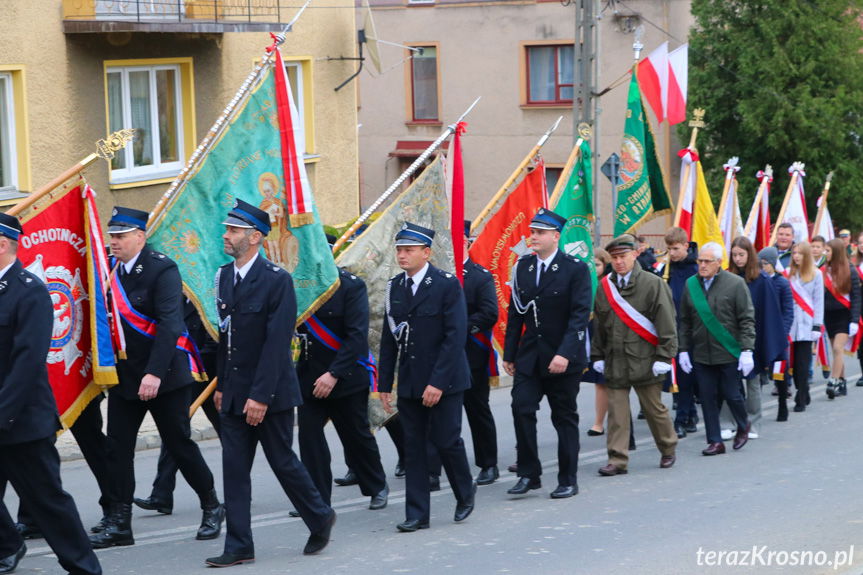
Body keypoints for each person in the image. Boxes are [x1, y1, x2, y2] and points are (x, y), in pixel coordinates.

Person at [206, 200, 336, 567]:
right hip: (233, 392)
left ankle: (320, 515)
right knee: (233, 469)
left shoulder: (277, 281)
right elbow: (226, 338)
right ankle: (239, 545)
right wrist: (221, 386)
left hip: (270, 394)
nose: (226, 236)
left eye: (233, 231)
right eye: (227, 230)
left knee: (282, 461)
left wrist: (260, 395)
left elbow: (277, 344)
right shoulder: (223, 277)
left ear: (256, 237)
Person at [91, 207, 224, 549]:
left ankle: (211, 505)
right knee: (118, 450)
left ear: (140, 236)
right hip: (125, 377)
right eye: (112, 236)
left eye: (121, 236)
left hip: (163, 376)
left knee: (179, 445)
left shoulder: (162, 268)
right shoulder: (108, 269)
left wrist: (153, 374)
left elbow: (170, 325)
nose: (114, 242)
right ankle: (120, 522)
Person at [0, 212, 102, 575]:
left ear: (2, 244)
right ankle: (9, 545)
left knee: (48, 502)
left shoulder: (30, 290)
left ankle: (85, 568)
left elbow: (26, 364)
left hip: (22, 420)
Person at [378, 222, 476, 532]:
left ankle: (464, 493)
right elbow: (388, 337)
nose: (402, 255)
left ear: (426, 252)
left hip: (444, 380)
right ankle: (417, 513)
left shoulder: (447, 284)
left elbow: (454, 336)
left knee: (447, 441)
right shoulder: (395, 286)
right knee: (414, 447)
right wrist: (383, 383)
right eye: (399, 250)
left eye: (408, 250)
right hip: (410, 380)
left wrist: (437, 383)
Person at [503, 208, 591, 498]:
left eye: (540, 232)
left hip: (563, 357)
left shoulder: (575, 268)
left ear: (556, 236)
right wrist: (510, 353)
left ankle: (568, 478)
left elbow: (580, 316)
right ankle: (530, 473)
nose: (533, 237)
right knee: (521, 407)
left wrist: (565, 353)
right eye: (532, 232)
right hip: (530, 355)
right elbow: (516, 312)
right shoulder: (524, 267)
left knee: (564, 417)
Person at [295, 264, 389, 511]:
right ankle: (316, 500)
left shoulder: (350, 285)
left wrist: (334, 374)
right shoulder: (298, 284)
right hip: (308, 377)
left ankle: (376, 486)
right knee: (309, 439)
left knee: (355, 436)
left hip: (345, 376)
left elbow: (356, 336)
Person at [591, 235, 678, 476]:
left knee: (654, 410)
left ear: (635, 255)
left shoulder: (653, 284)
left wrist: (664, 357)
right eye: (615, 258)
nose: (618, 262)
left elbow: (667, 324)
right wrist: (597, 355)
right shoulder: (605, 286)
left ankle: (668, 448)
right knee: (617, 413)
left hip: (646, 360)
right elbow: (599, 324)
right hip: (616, 359)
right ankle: (617, 459)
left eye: (623, 257)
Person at [429, 221, 500, 487]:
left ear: (468, 243)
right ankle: (433, 470)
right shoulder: (438, 276)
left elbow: (489, 312)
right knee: (437, 412)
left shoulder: (480, 276)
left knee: (477, 409)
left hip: (472, 354)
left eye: (457, 240)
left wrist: (459, 329)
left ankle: (488, 464)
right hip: (440, 356)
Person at [134, 299, 221, 516]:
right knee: (175, 434)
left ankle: (239, 492)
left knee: (230, 436)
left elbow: (217, 338)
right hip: (185, 377)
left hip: (209, 377)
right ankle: (162, 494)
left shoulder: (205, 294)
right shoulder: (174, 299)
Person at [678, 242, 756, 456]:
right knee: (707, 397)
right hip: (702, 352)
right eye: (699, 261)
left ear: (718, 263)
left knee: (732, 394)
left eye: (707, 261)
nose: (702, 265)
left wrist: (747, 350)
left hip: (728, 351)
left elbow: (747, 319)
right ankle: (715, 441)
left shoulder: (735, 284)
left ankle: (743, 425)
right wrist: (683, 349)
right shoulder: (690, 284)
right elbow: (684, 320)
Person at [723, 237, 786, 440]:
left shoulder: (761, 280)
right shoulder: (726, 277)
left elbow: (769, 312)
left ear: (750, 255)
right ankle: (728, 422)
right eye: (734, 255)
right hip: (730, 336)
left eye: (742, 254)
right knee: (727, 380)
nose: (738, 259)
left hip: (753, 336)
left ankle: (753, 423)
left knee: (752, 382)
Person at [662, 227, 699, 438]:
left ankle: (686, 415)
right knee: (681, 376)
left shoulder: (696, 268)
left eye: (675, 248)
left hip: (694, 329)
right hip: (673, 328)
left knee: (689, 375)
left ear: (686, 245)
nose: (672, 253)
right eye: (668, 249)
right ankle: (686, 416)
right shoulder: (666, 269)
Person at [757, 246, 795, 421]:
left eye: (764, 264)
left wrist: (783, 331)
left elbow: (788, 311)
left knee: (780, 371)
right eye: (760, 263)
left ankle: (782, 402)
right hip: (761, 333)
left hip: (778, 334)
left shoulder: (782, 282)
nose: (762, 267)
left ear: (772, 264)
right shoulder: (758, 281)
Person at [822, 238, 861, 398]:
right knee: (836, 351)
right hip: (829, 316)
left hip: (844, 316)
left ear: (836, 252)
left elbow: (856, 297)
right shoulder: (824, 270)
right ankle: (842, 382)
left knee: (838, 348)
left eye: (828, 251)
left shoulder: (850, 270)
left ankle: (834, 381)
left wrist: (854, 320)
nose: (825, 253)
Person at [787, 241, 824, 412]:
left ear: (806, 256)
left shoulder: (816, 274)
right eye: (794, 253)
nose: (796, 256)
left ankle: (800, 396)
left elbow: (818, 301)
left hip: (807, 324)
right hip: (790, 324)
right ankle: (804, 390)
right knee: (792, 364)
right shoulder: (788, 274)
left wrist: (817, 325)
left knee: (802, 363)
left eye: (799, 253)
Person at [583, 248, 611, 436]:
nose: (594, 268)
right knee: (600, 382)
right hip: (592, 335)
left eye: (598, 264)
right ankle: (598, 422)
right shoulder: (585, 284)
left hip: (610, 336)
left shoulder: (610, 284)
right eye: (591, 264)